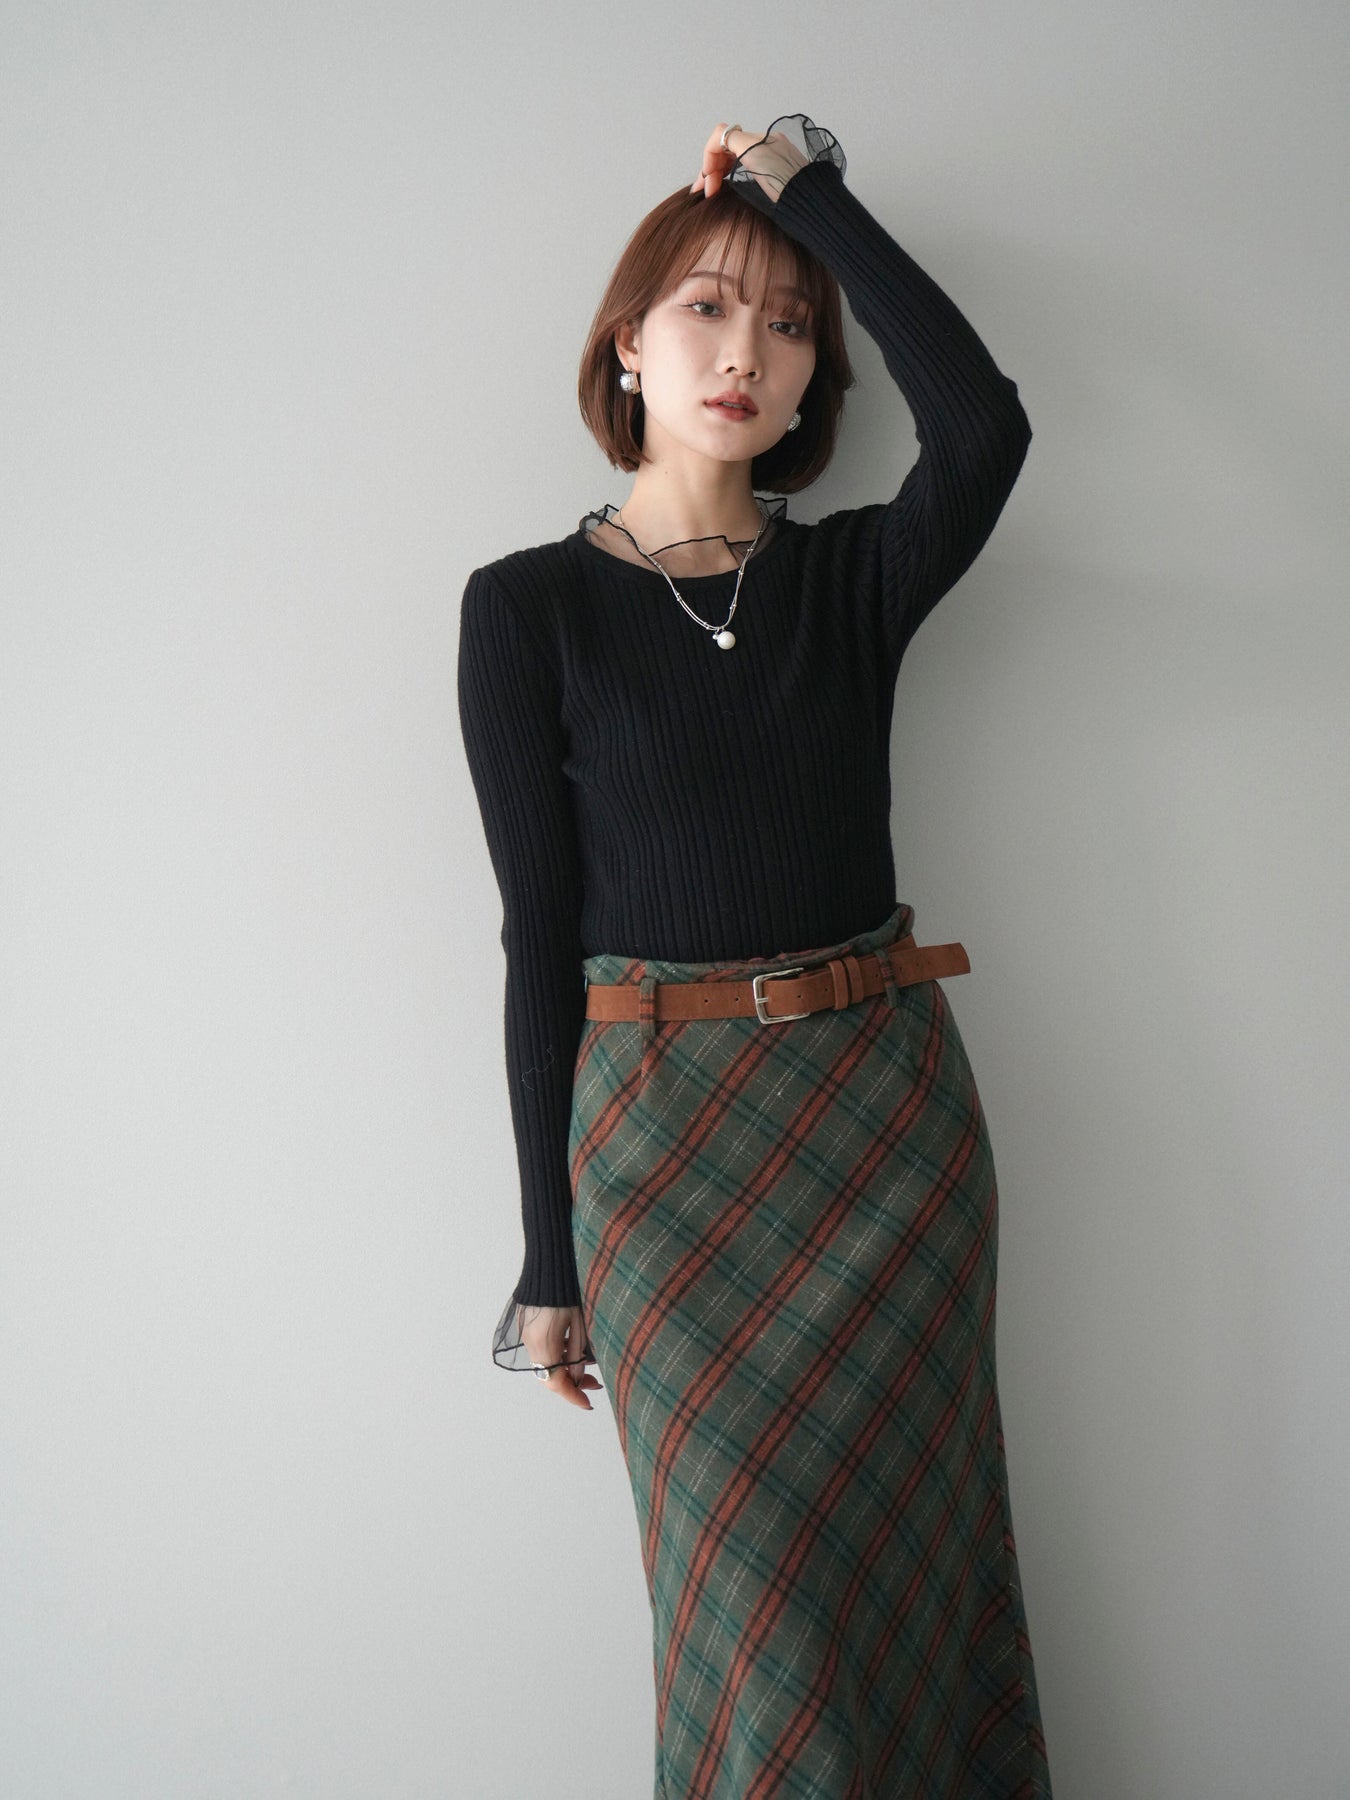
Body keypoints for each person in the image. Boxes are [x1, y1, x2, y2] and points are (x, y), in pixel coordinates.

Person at [458, 115, 1053, 1798]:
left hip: (886, 1133)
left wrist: (805, 191)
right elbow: (535, 939)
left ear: (814, 385)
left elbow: (986, 426)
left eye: (789, 327)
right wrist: (549, 1254)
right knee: (754, 1623)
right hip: (659, 1155)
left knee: (923, 1581)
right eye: (706, 310)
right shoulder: (524, 607)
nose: (745, 354)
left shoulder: (853, 577)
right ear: (625, 347)